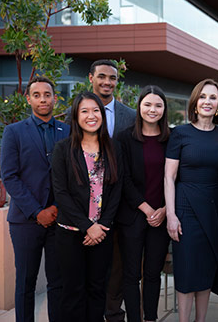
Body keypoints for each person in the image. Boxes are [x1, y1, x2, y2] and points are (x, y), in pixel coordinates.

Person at [66, 59, 136, 322]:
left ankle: (113, 311)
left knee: (116, 266)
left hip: (120, 206)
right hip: (82, 211)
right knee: (83, 272)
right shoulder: (74, 114)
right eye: (102, 77)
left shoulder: (131, 115)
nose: (107, 82)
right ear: (91, 78)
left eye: (113, 78)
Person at [0, 76, 69, 322]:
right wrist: (37, 211)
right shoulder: (14, 131)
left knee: (57, 282)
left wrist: (57, 208)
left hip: (59, 219)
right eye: (37, 95)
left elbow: (74, 176)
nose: (43, 99)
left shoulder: (68, 131)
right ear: (28, 98)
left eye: (47, 94)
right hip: (25, 221)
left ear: (54, 98)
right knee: (26, 283)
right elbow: (9, 176)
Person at [52, 91, 123, 322]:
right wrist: (86, 227)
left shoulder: (113, 148)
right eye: (84, 111)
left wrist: (101, 226)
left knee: (97, 291)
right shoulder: (63, 149)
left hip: (101, 235)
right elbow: (60, 192)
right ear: (75, 115)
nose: (91, 116)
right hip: (71, 234)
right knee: (73, 292)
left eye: (95, 110)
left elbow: (116, 191)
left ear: (102, 114)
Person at [165, 79, 218, 322]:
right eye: (203, 97)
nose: (207, 102)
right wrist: (171, 215)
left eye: (213, 98)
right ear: (195, 102)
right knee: (186, 270)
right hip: (185, 208)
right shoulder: (179, 133)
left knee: (206, 268)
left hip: (215, 208)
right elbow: (169, 177)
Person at [116, 85, 171, 322]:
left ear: (164, 109)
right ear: (139, 107)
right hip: (132, 216)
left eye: (158, 105)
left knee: (152, 274)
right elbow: (123, 178)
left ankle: (150, 318)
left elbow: (178, 177)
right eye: (147, 104)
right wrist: (147, 208)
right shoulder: (124, 138)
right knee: (130, 275)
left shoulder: (172, 138)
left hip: (162, 215)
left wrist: (165, 210)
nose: (152, 109)